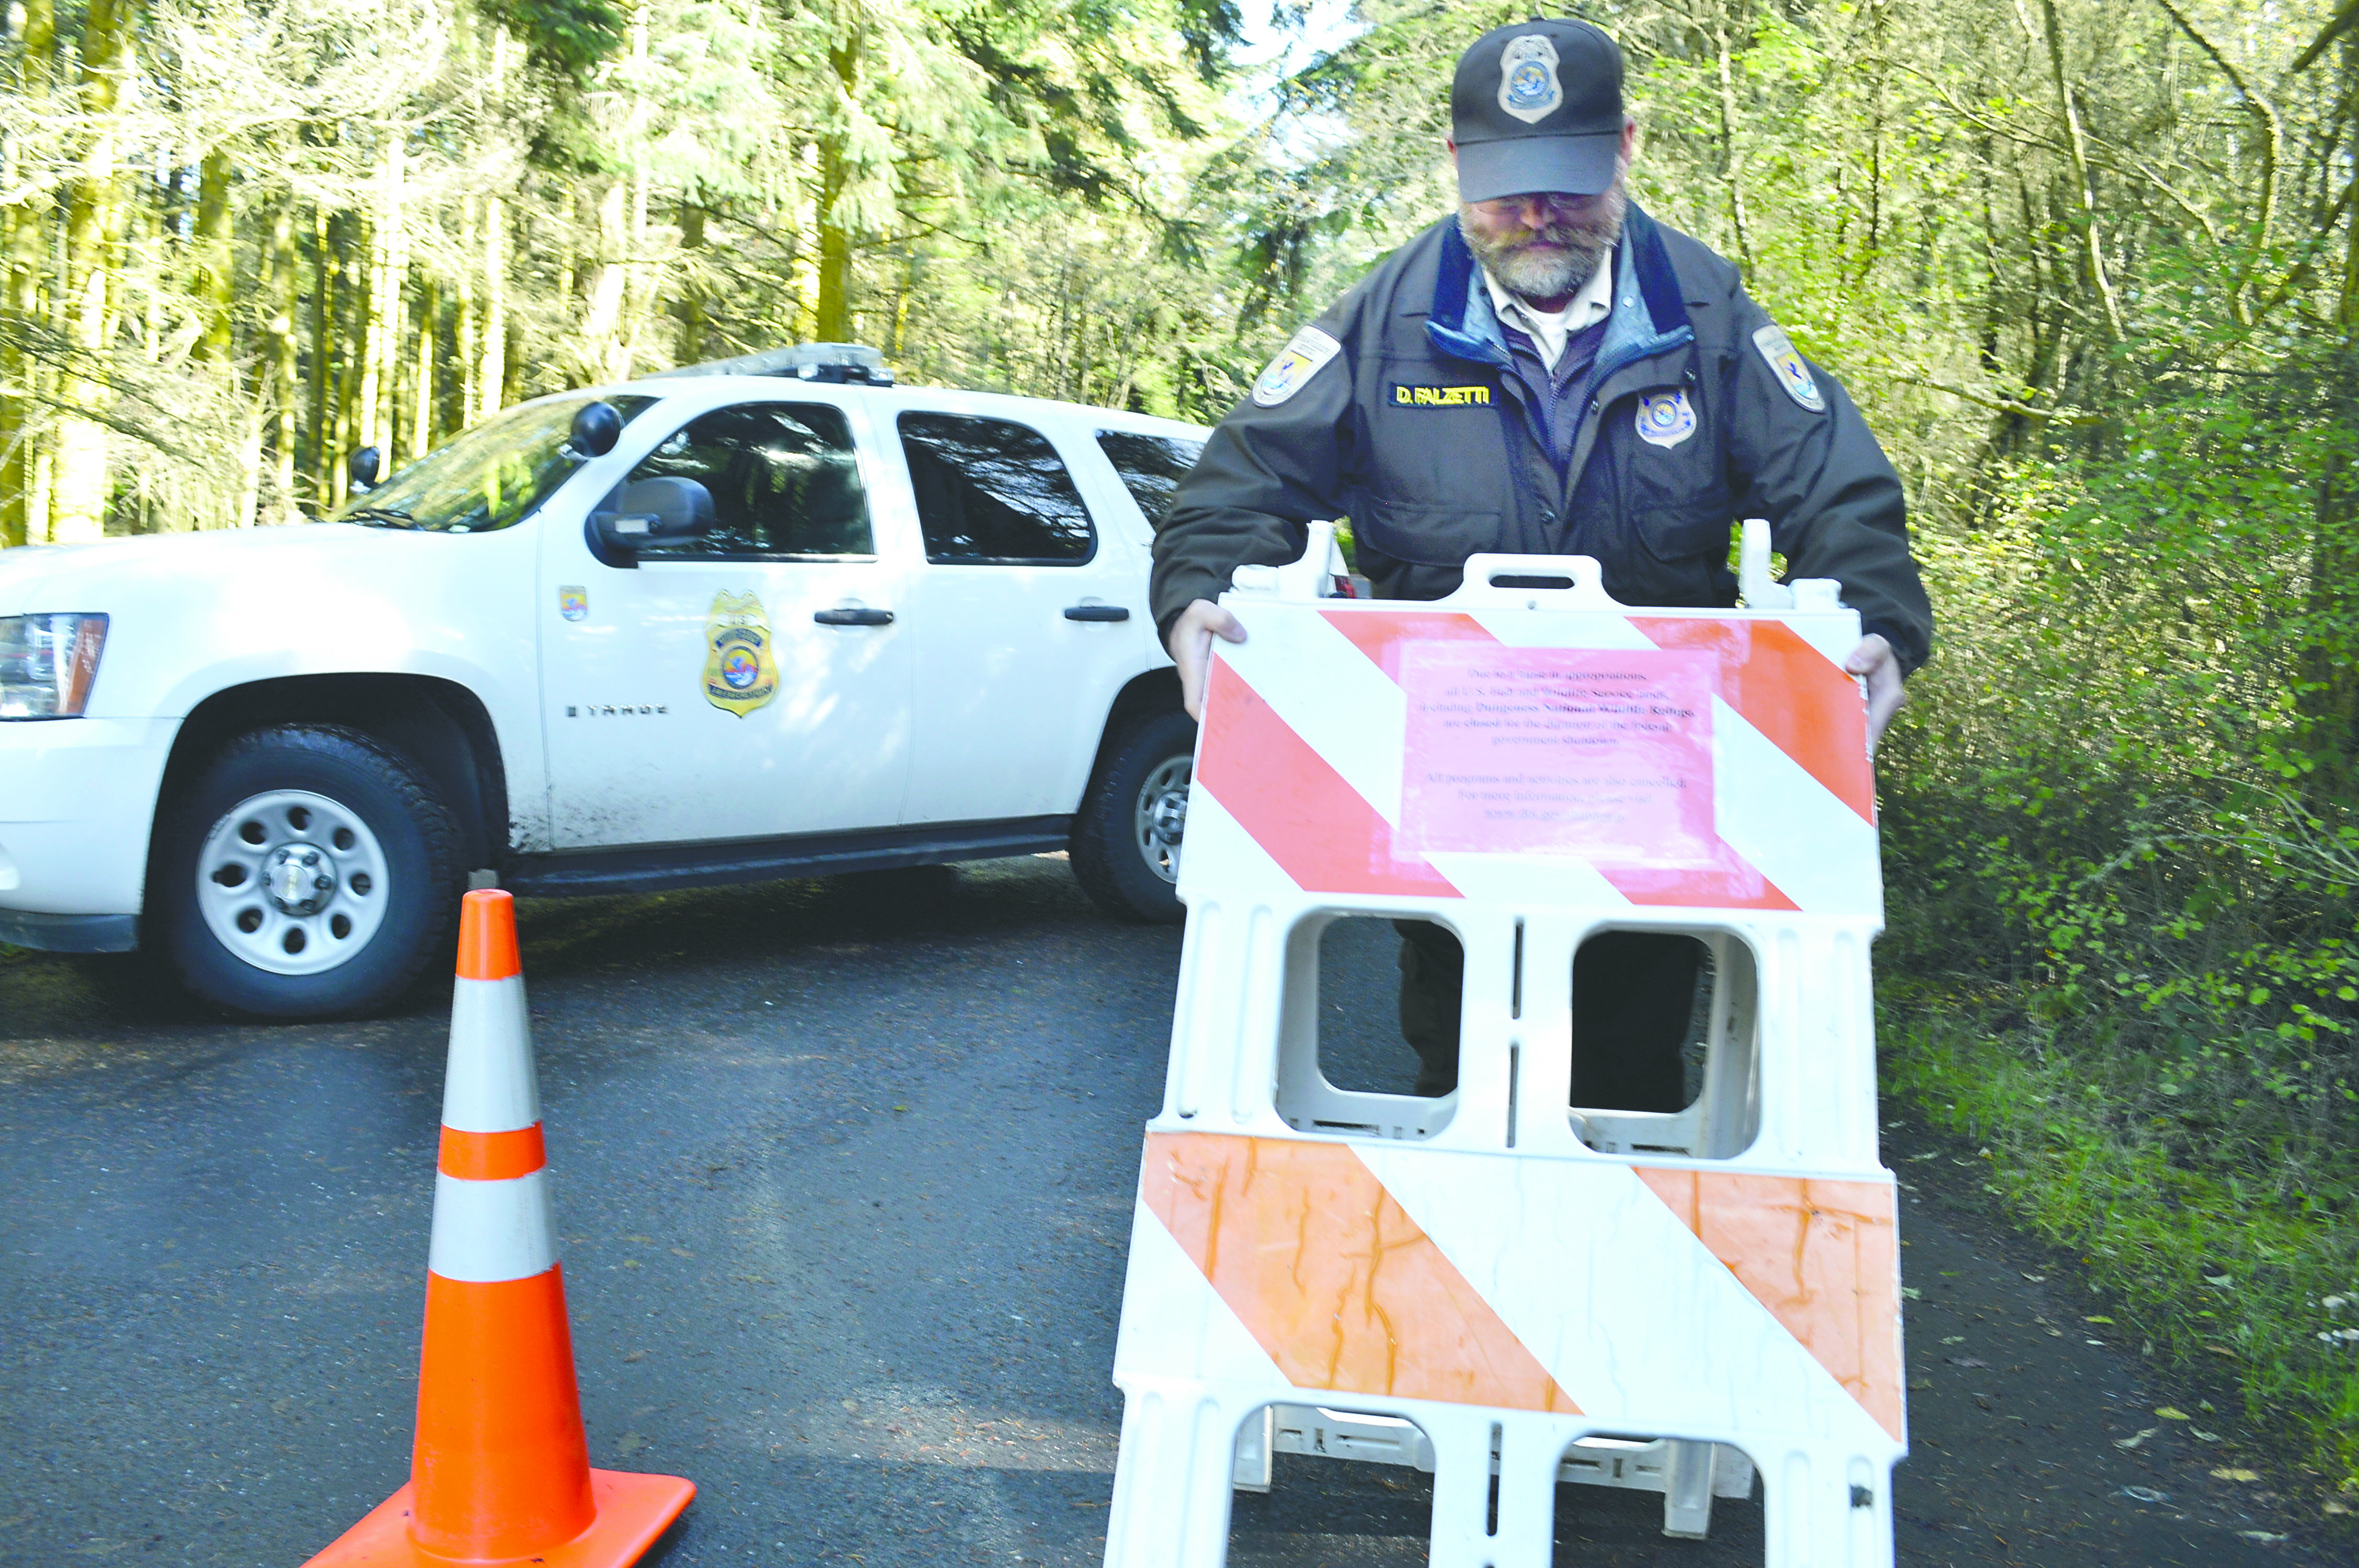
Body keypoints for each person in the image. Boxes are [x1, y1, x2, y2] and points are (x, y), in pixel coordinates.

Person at [1149, 16, 1934, 1109]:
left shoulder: (1709, 321)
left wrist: (1879, 623)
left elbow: (1839, 491)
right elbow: (1240, 488)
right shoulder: (1380, 326)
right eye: (1507, 189)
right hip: (1450, 784)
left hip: (1653, 791)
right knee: (1459, 1056)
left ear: (1625, 150)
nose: (1536, 217)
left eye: (1566, 183)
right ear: (1457, 171)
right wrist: (1196, 601)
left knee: (1629, 1075)